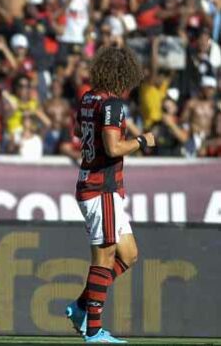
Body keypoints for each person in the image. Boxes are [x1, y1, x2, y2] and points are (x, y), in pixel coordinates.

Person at [65, 47, 155, 343]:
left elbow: (80, 132)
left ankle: (80, 307)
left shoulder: (89, 98)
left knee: (128, 254)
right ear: (124, 75)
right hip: (101, 187)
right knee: (103, 258)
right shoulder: (114, 104)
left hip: (97, 185)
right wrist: (142, 140)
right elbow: (114, 147)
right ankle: (93, 330)